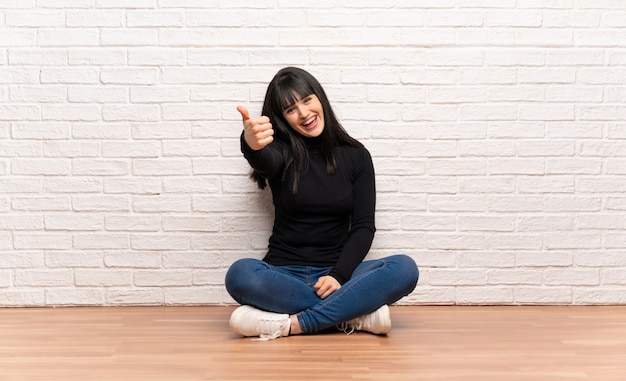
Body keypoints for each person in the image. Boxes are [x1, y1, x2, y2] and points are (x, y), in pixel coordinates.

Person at [225, 67, 418, 341]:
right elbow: (264, 159)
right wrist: (250, 145)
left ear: (320, 99)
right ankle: (353, 314)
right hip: (283, 275)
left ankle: (294, 323)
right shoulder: (281, 153)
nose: (303, 113)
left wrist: (339, 276)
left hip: (339, 276)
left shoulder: (357, 157)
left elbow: (363, 227)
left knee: (404, 268)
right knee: (240, 274)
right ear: (282, 119)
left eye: (307, 100)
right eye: (291, 109)